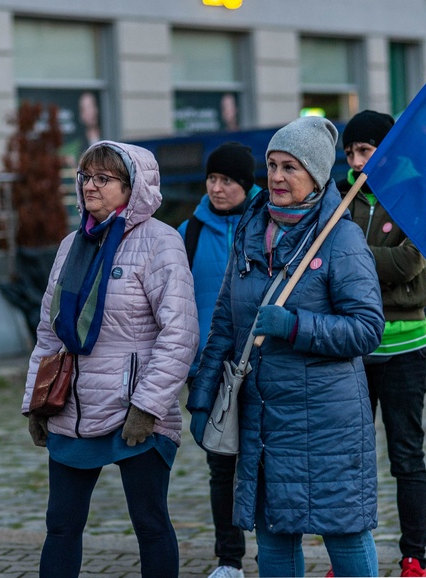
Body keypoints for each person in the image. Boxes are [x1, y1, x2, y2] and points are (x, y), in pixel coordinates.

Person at [187, 116, 385, 578]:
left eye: (290, 167)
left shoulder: (342, 236)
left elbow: (365, 328)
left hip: (327, 422)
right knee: (274, 535)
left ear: (315, 176)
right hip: (263, 419)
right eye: (272, 165)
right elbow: (223, 323)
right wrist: (202, 397)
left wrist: (296, 326)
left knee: (345, 532)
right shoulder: (250, 230)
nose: (276, 177)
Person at [22, 141, 200, 578]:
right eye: (85, 177)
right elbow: (50, 329)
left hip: (134, 410)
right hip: (73, 407)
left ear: (133, 187)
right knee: (61, 526)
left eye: (103, 178)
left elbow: (180, 333)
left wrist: (149, 406)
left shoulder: (161, 242)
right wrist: (36, 402)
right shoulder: (72, 244)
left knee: (150, 524)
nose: (90, 186)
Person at [338, 110, 426, 578]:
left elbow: (408, 264)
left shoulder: (417, 192)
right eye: (350, 154)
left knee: (406, 455)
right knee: (352, 457)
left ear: (388, 148)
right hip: (355, 347)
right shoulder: (342, 199)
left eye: (365, 151)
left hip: (406, 347)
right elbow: (328, 264)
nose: (357, 162)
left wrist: (351, 256)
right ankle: (351, 555)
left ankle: (413, 555)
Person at [178, 141, 261, 578]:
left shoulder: (267, 226)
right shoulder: (187, 233)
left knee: (267, 461)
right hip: (209, 368)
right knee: (221, 466)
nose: (217, 187)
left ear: (246, 186)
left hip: (262, 364)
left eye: (227, 180)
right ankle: (229, 559)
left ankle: (274, 550)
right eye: (212, 178)